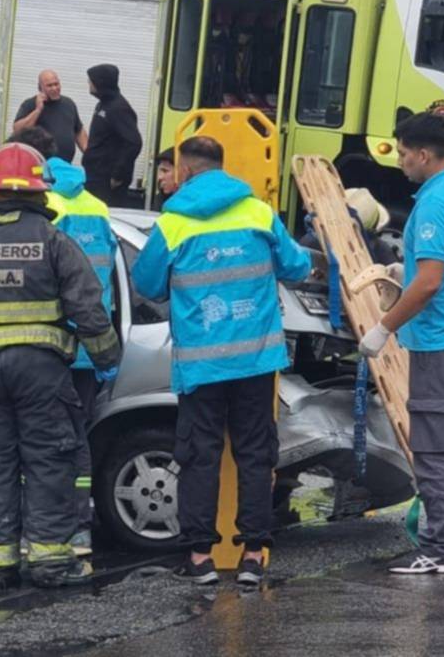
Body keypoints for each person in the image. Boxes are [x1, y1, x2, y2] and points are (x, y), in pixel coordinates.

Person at [0, 142, 121, 589]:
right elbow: (89, 310)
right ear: (39, 192)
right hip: (42, 374)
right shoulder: (55, 243)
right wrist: (108, 360)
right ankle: (50, 562)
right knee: (48, 461)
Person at [132, 136, 311, 587]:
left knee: (200, 456)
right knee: (256, 454)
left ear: (186, 171)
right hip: (256, 359)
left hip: (201, 365)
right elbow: (297, 268)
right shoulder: (258, 213)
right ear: (221, 166)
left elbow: (147, 284)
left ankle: (200, 558)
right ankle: (252, 555)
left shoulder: (173, 223)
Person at [358, 112, 444, 576]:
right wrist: (407, 271)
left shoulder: (436, 202)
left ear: (422, 154)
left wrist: (384, 328)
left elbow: (431, 283)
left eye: (402, 154)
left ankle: (440, 551)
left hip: (442, 345)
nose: (399, 162)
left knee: (437, 451)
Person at [14, 126, 118, 555]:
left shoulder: (44, 206)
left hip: (49, 346)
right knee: (77, 442)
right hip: (91, 346)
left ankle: (36, 529)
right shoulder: (96, 205)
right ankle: (78, 530)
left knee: (36, 444)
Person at [82, 64, 142, 207]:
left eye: (91, 80)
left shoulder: (119, 108)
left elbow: (134, 142)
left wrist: (118, 174)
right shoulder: (103, 104)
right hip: (95, 175)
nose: (89, 83)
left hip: (107, 181)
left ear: (101, 82)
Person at [12, 70, 89, 162]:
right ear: (40, 87)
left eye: (56, 84)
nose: (54, 88)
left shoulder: (69, 104)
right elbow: (18, 130)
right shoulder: (30, 104)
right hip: (39, 164)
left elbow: (79, 132)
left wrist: (90, 154)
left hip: (64, 164)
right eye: (49, 86)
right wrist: (38, 110)